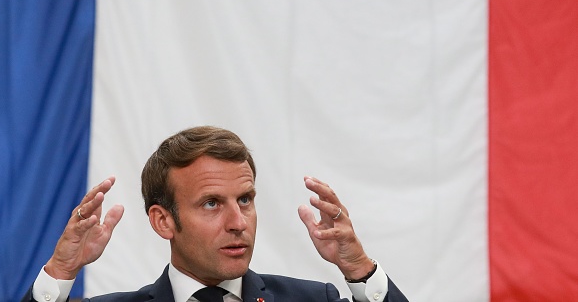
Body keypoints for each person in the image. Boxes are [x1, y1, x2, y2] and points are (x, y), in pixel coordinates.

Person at [21, 126, 408, 302]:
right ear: (163, 221)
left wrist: (359, 269)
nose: (238, 222)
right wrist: (60, 272)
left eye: (245, 200)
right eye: (211, 203)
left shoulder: (312, 299)